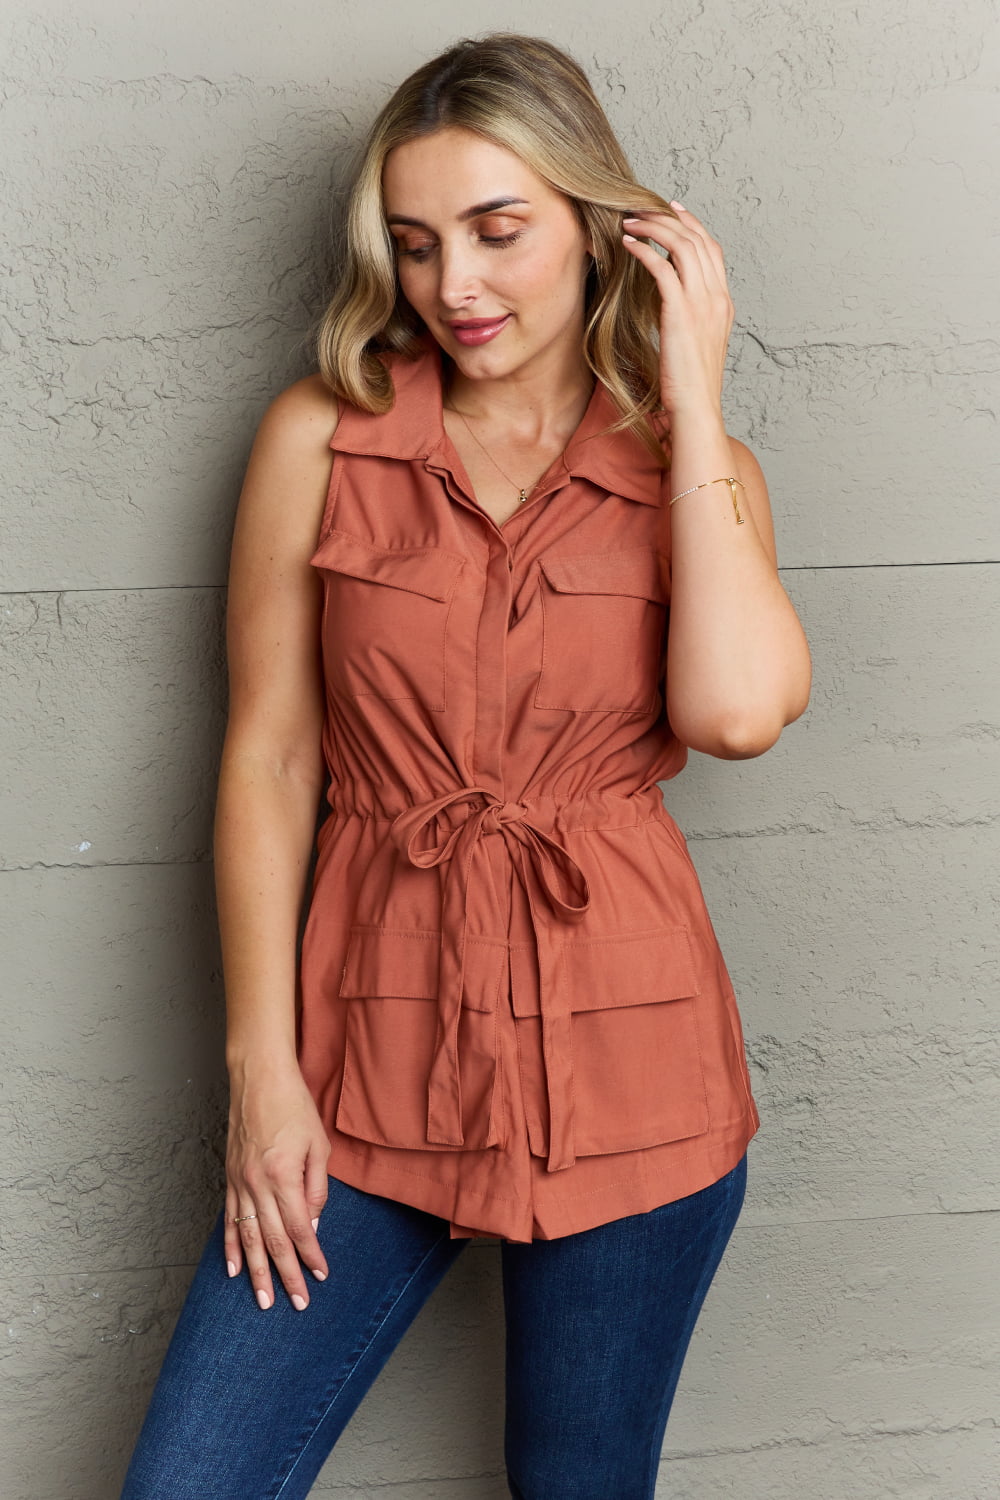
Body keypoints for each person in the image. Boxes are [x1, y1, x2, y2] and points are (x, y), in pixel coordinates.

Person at [120, 31, 811, 1500]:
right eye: (420, 244)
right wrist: (263, 1072)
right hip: (365, 1058)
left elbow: (738, 713)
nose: (457, 288)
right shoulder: (321, 437)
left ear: (597, 227)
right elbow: (269, 757)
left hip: (637, 1070)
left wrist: (691, 397)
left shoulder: (704, 472)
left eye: (501, 232)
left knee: (580, 1485)